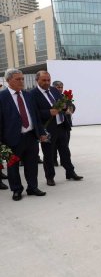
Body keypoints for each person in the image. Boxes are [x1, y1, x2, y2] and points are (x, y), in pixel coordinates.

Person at [0, 69, 48, 200]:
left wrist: (41, 133)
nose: (21, 81)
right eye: (18, 79)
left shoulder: (28, 95)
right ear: (9, 80)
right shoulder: (2, 97)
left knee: (32, 165)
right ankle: (16, 190)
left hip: (31, 136)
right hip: (11, 139)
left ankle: (32, 187)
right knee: (13, 167)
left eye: (22, 78)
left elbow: (35, 116)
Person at [31, 71, 84, 186]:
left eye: (48, 80)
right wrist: (48, 112)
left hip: (61, 126)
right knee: (49, 154)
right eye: (44, 80)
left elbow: (63, 104)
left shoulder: (54, 90)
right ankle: (50, 177)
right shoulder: (33, 94)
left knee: (65, 151)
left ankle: (70, 172)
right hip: (47, 129)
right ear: (37, 80)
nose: (47, 82)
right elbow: (33, 113)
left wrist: (66, 107)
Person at [52, 80, 76, 166]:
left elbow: (72, 105)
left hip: (65, 125)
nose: (60, 89)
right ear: (53, 87)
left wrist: (70, 109)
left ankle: (65, 161)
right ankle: (54, 160)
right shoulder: (50, 97)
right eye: (58, 87)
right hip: (54, 125)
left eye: (61, 87)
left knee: (65, 144)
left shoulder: (65, 97)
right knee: (53, 145)